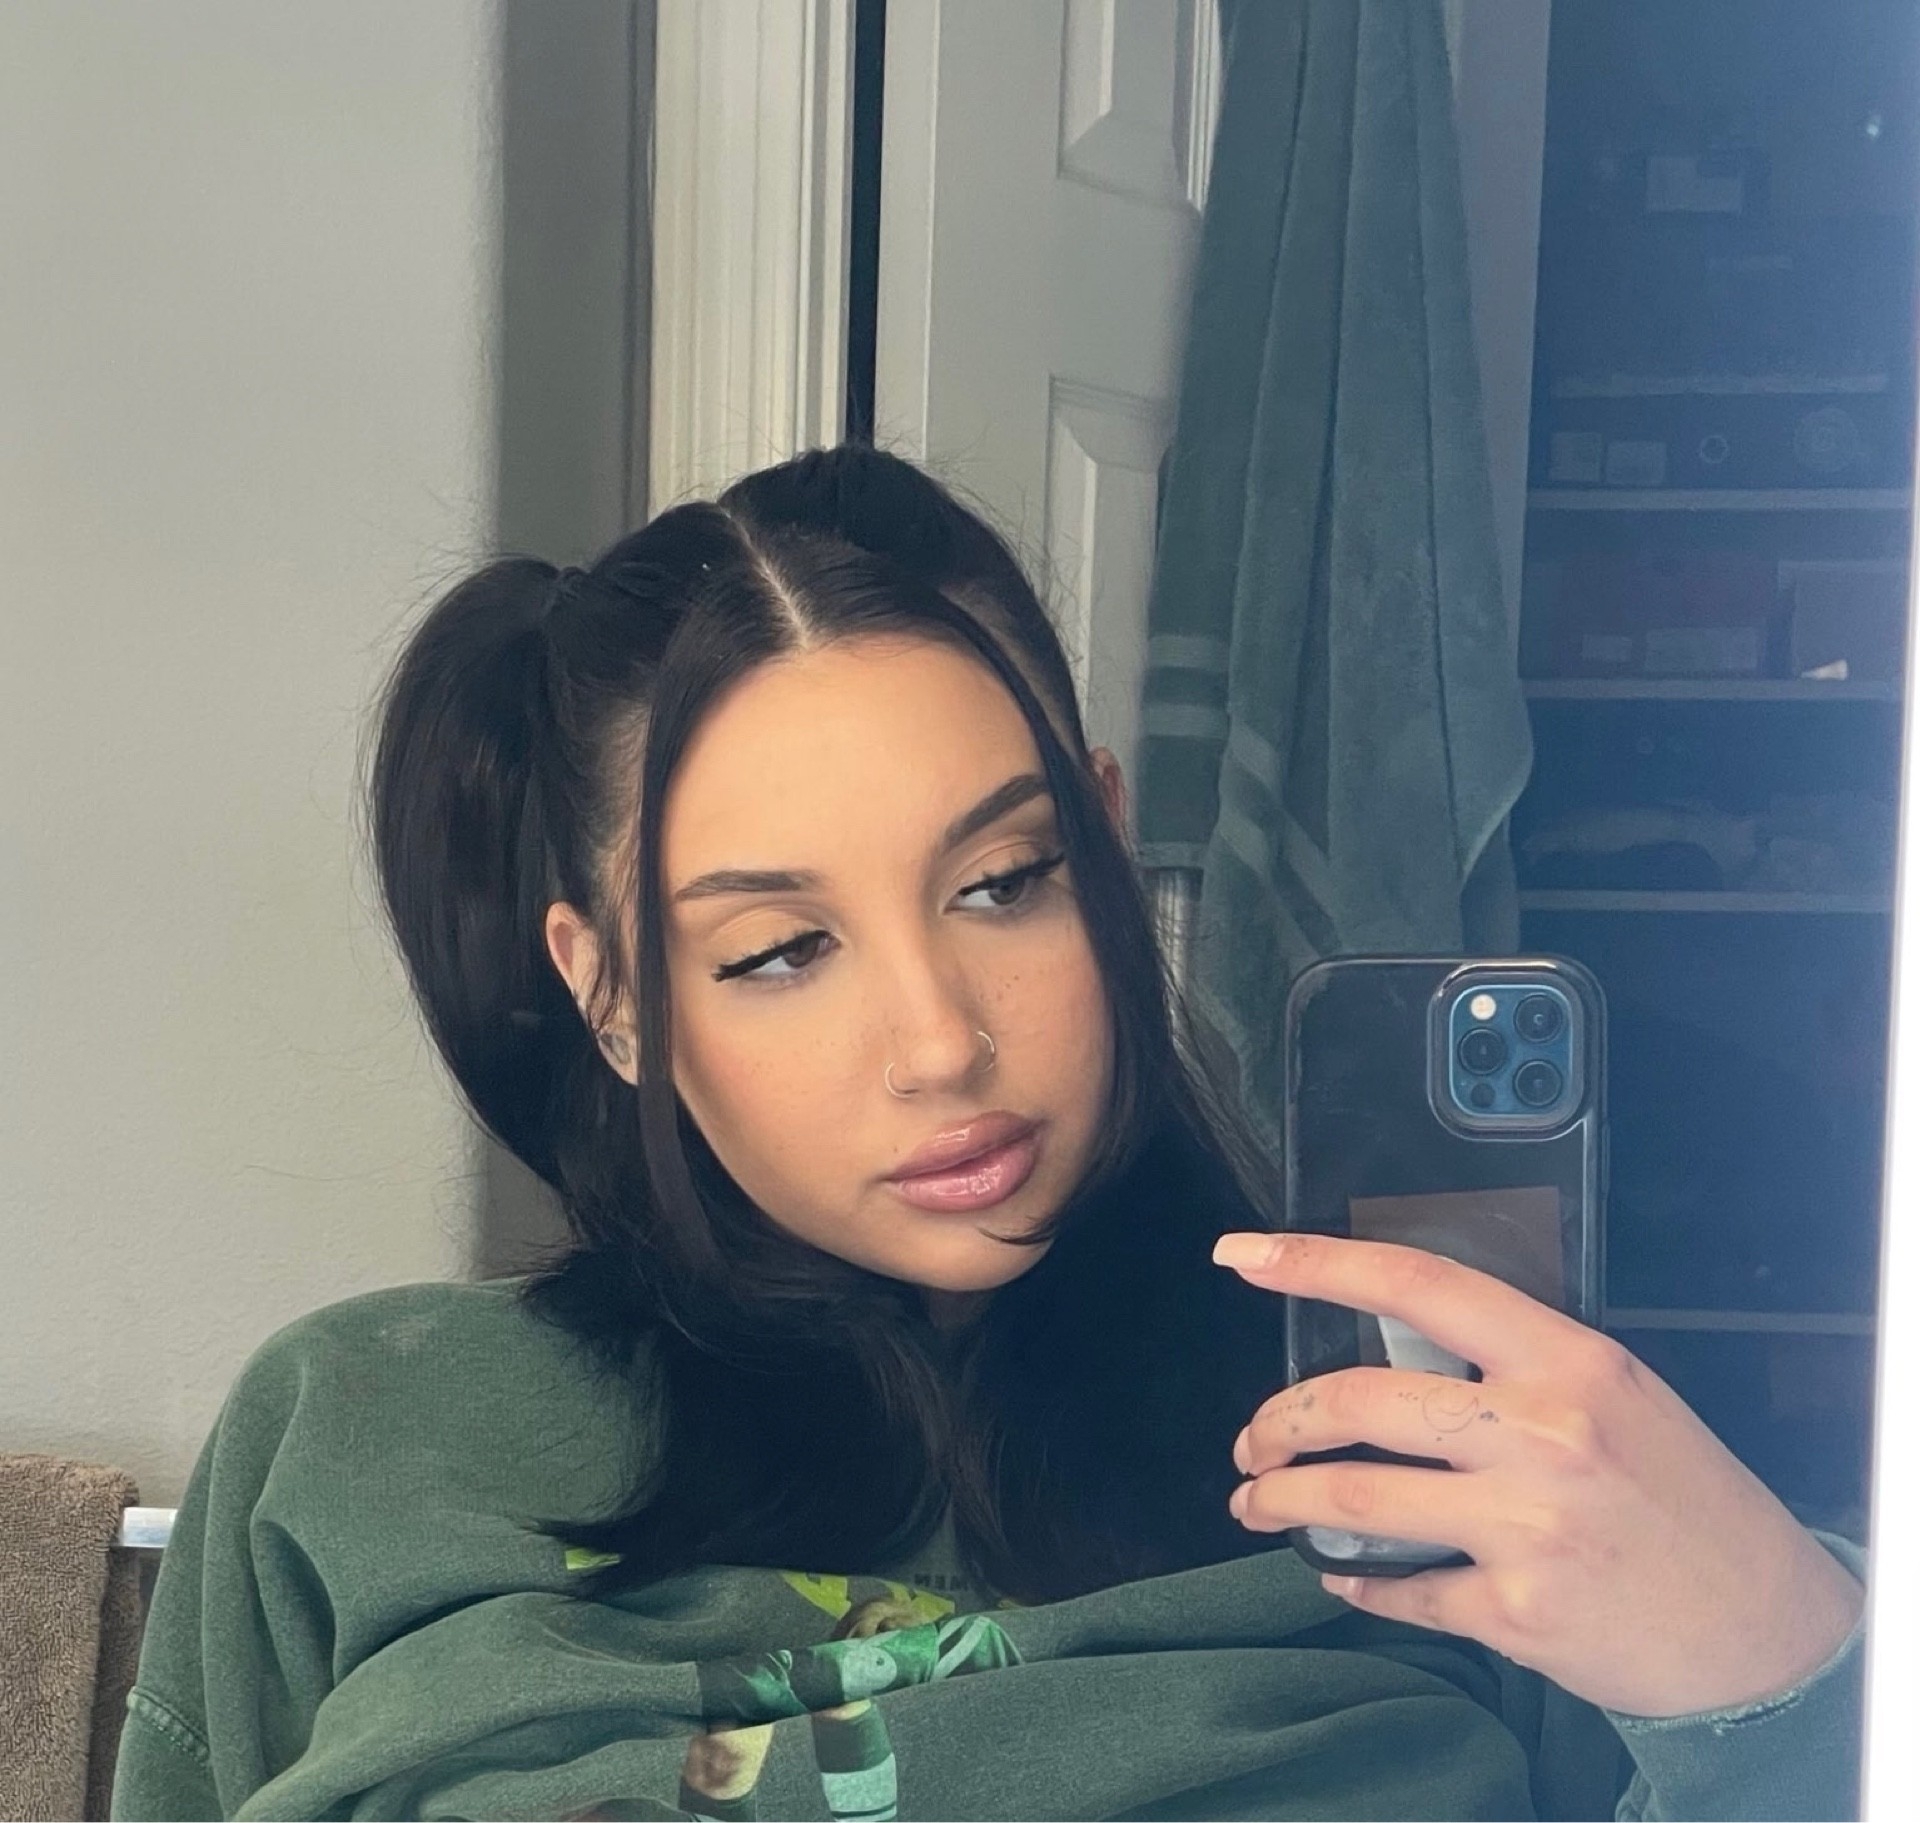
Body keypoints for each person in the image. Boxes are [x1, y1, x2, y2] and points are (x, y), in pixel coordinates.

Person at [113, 445, 1866, 1822]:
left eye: (1007, 881)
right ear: (614, 991)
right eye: (780, 950)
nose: (942, 1043)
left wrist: (1786, 1665)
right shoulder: (365, 1429)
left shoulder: (1431, 1453)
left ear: (1102, 844)